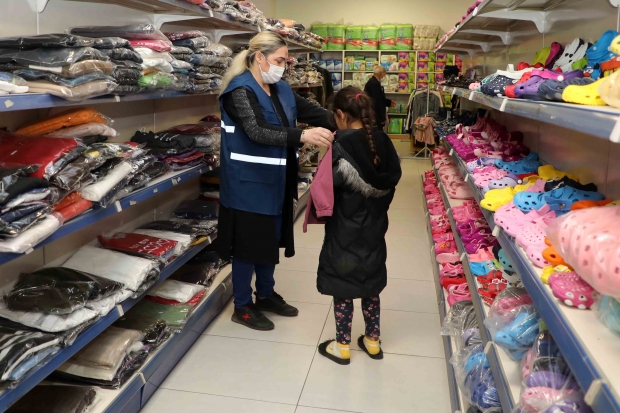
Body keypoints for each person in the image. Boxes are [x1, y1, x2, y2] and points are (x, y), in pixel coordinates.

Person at [217, 31, 334, 331]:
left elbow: (312, 112)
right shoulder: (239, 91)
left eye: (286, 61)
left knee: (269, 242)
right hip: (247, 184)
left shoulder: (280, 88)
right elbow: (257, 130)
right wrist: (303, 135)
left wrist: (349, 121)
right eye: (279, 60)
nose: (283, 67)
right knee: (247, 247)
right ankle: (242, 305)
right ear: (259, 57)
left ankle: (266, 294)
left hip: (276, 181)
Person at [314, 86, 402, 364]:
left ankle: (342, 346)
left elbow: (323, 192)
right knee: (370, 284)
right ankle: (372, 342)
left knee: (343, 288)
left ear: (340, 114)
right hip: (375, 228)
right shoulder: (382, 142)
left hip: (344, 231)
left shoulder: (340, 149)